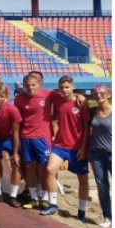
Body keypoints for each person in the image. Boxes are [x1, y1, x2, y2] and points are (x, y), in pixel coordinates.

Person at [43, 76, 90, 219]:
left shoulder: (81, 102)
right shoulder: (57, 98)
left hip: (77, 146)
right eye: (61, 87)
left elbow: (87, 127)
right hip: (60, 145)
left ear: (73, 87)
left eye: (67, 87)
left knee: (82, 178)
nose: (64, 90)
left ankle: (81, 212)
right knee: (50, 169)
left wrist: (83, 147)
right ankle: (53, 204)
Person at [14, 74, 53, 209]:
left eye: (33, 85)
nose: (30, 88)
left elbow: (67, 97)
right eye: (27, 85)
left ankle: (46, 197)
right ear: (24, 85)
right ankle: (34, 197)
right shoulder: (19, 99)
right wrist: (17, 140)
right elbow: (17, 122)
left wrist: (79, 97)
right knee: (29, 167)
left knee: (44, 168)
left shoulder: (49, 94)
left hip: (43, 138)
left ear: (39, 84)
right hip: (26, 137)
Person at [87, 84, 112, 228]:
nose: (99, 96)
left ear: (109, 94)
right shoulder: (92, 112)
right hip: (96, 154)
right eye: (96, 93)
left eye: (102, 93)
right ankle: (108, 218)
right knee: (102, 187)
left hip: (112, 154)